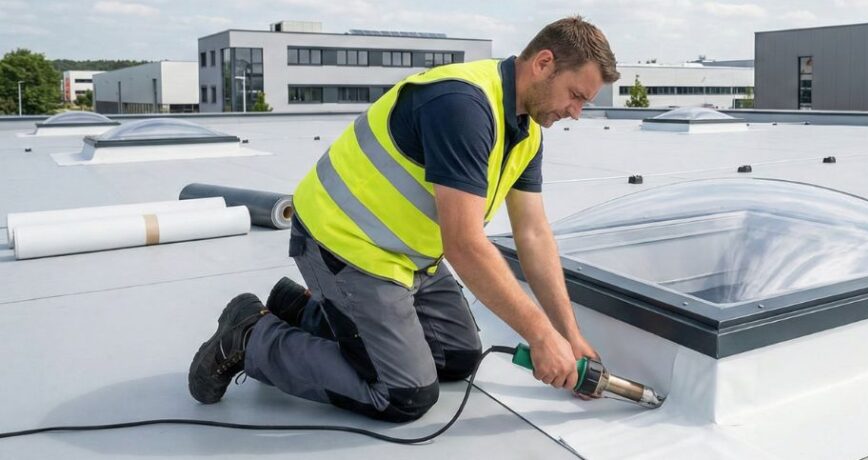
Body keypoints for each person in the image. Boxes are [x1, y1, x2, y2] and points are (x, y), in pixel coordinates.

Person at [188, 15, 620, 422]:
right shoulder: (463, 105)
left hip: (407, 258)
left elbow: (533, 234)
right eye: (576, 95)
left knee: (457, 358)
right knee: (405, 393)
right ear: (544, 63)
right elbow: (465, 245)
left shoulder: (525, 130)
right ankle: (250, 336)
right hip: (343, 245)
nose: (576, 112)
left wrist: (568, 334)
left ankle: (299, 308)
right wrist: (542, 338)